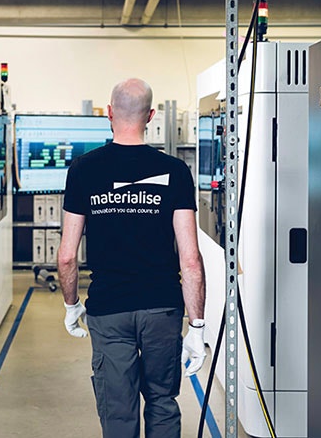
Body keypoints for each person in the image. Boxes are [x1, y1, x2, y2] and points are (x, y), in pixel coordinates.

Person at [57, 78, 207, 438]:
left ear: (109, 113)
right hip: (162, 310)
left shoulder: (83, 170)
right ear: (151, 116)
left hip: (109, 309)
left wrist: (71, 305)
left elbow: (66, 257)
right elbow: (191, 261)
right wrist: (198, 326)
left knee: (119, 413)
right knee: (162, 402)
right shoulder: (175, 171)